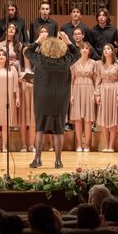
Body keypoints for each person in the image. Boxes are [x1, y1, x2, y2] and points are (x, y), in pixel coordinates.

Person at [24, 30, 79, 169]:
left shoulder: (40, 60)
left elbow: (27, 52)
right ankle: (58, 161)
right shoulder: (65, 62)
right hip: (60, 99)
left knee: (40, 128)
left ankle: (37, 159)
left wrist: (38, 40)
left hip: (42, 98)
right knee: (59, 129)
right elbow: (77, 54)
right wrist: (68, 41)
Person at [95, 43, 118, 153]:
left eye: (108, 48)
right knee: (104, 119)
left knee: (113, 119)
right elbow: (98, 79)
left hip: (114, 89)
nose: (106, 50)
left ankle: (111, 146)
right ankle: (106, 145)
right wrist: (97, 94)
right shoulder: (99, 64)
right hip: (103, 90)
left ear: (112, 51)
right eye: (104, 49)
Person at [70, 42, 97, 152]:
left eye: (87, 48)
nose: (85, 50)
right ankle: (79, 144)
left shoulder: (94, 63)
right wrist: (71, 94)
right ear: (79, 50)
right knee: (77, 119)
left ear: (89, 51)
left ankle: (87, 145)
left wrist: (95, 93)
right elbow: (71, 81)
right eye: (83, 48)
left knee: (88, 119)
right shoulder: (74, 63)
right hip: (77, 89)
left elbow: (96, 80)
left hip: (89, 88)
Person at [18, 47, 36, 152]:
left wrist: (29, 79)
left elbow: (40, 80)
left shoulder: (36, 66)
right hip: (22, 94)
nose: (26, 53)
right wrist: (18, 80)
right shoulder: (18, 65)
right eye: (24, 51)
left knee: (32, 121)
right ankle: (23, 145)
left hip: (33, 94)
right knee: (23, 121)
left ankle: (31, 145)